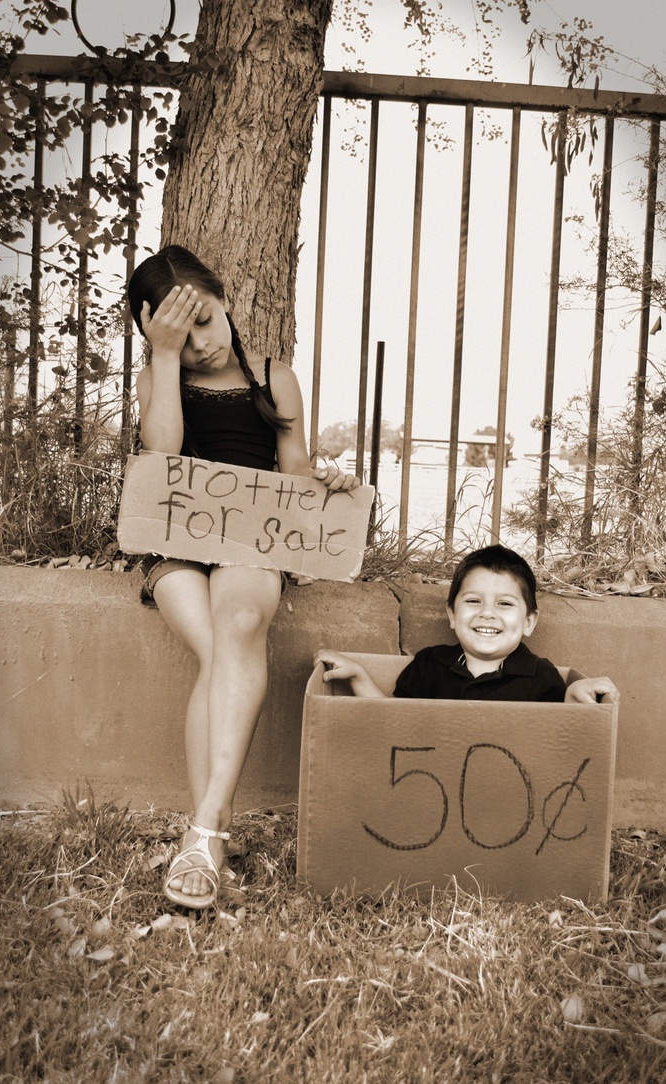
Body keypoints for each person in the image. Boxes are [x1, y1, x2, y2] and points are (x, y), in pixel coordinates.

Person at [128, 245, 359, 910]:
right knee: (219, 652)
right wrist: (164, 357)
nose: (199, 342)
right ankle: (211, 831)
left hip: (255, 540)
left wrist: (326, 483)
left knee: (237, 625)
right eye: (179, 331)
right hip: (176, 545)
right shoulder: (159, 375)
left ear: (225, 302)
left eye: (204, 321)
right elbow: (163, 454)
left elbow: (295, 471)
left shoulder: (272, 376)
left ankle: (202, 834)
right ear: (153, 331)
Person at [314, 544, 619, 704]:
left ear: (528, 622)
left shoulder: (540, 676)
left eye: (505, 604)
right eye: (473, 601)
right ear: (451, 614)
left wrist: (574, 694)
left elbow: (562, 735)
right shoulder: (429, 665)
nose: (487, 613)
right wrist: (359, 677)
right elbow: (393, 719)